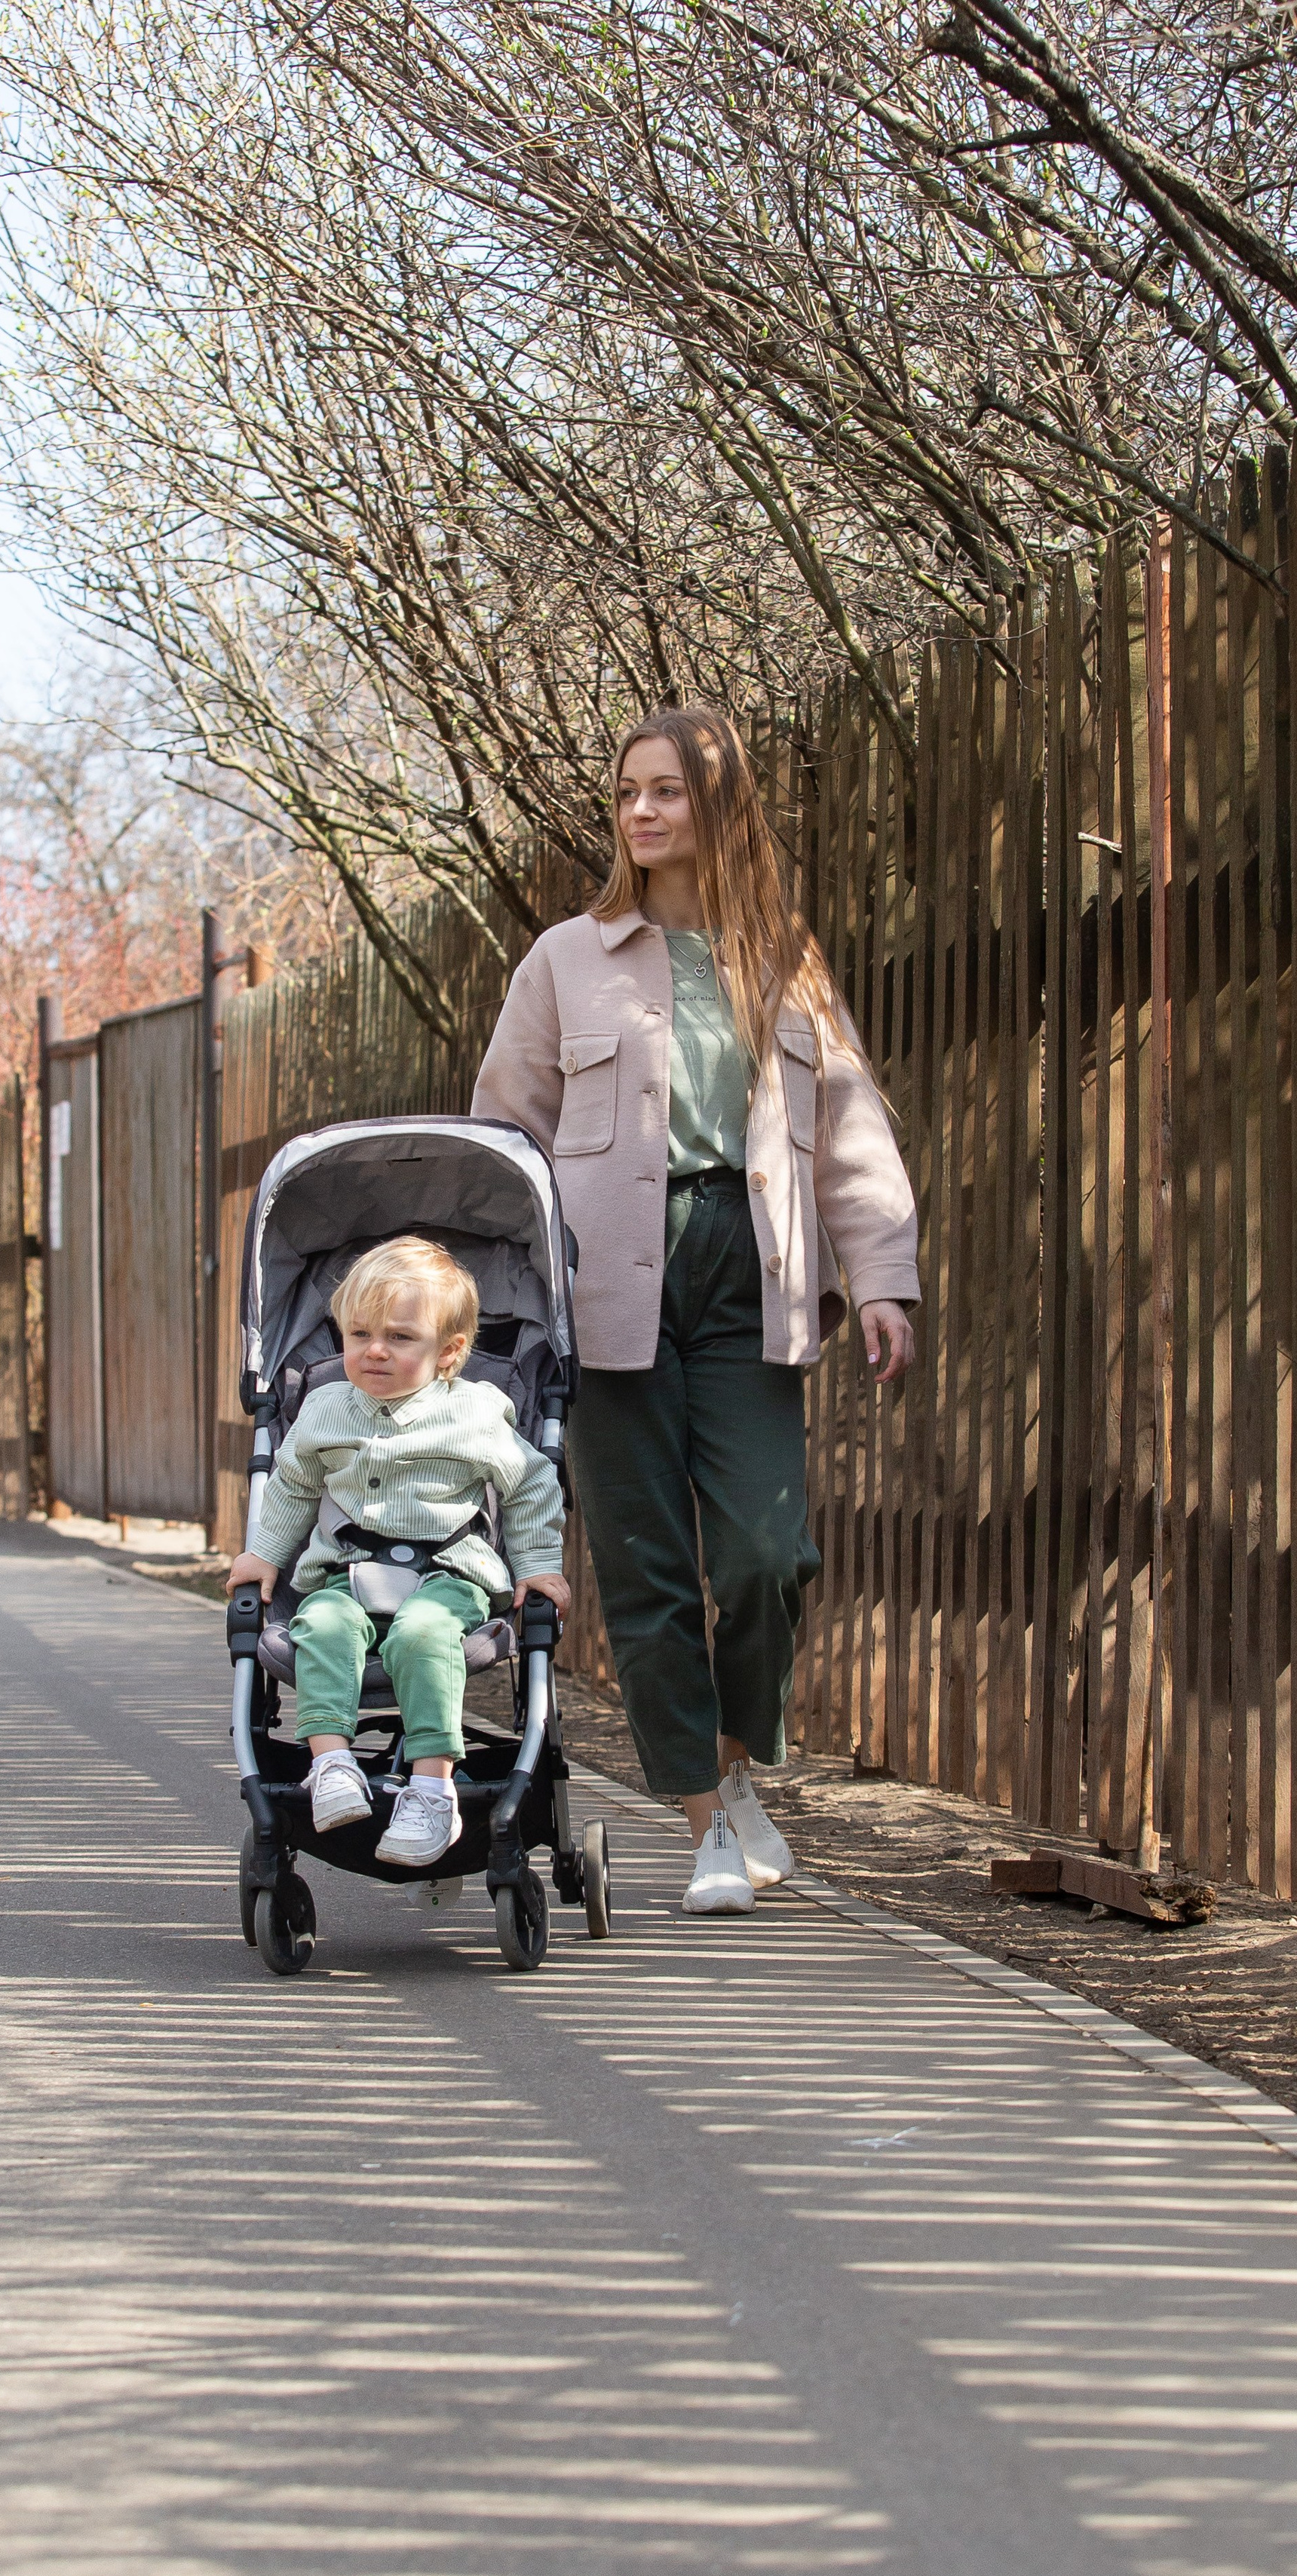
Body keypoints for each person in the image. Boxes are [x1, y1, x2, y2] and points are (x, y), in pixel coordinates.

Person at [471, 704, 918, 1915]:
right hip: (606, 1274)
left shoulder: (786, 960)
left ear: (720, 806)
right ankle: (708, 1817)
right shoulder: (567, 957)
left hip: (752, 1270)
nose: (643, 812)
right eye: (629, 792)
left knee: (771, 1553)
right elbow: (506, 1133)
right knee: (647, 1563)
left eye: (668, 790)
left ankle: (732, 1768)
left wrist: (879, 1279)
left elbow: (856, 1133)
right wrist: (514, 1302)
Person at [224, 1235, 571, 1868]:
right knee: (319, 1624)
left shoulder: (476, 1412)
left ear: (450, 1352)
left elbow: (530, 1485)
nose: (374, 1349)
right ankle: (331, 1767)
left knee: (422, 1632)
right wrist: (265, 1553)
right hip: (344, 1575)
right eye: (358, 1334)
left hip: (449, 1577)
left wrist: (539, 1565)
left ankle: (432, 1788)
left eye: (399, 1337)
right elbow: (293, 1487)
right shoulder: (325, 1407)